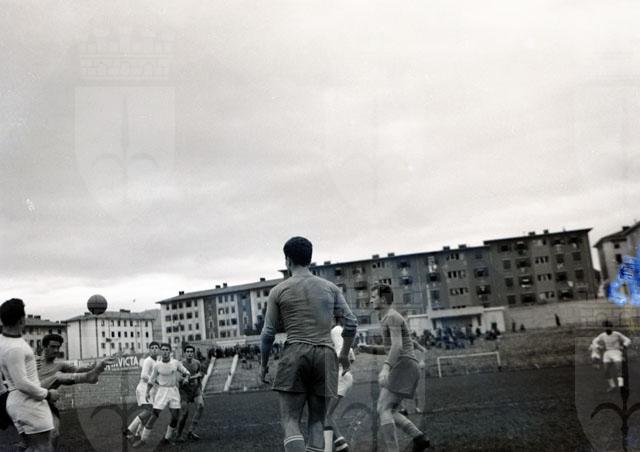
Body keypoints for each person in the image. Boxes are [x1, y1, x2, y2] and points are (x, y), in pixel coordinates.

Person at [261, 236, 358, 452]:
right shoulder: (330, 288)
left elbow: (267, 333)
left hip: (295, 351)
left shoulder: (278, 290)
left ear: (287, 260)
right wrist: (343, 354)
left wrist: (263, 365)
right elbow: (351, 322)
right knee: (317, 421)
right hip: (325, 355)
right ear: (310, 259)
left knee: (290, 420)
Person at [358, 284, 430, 452]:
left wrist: (385, 368)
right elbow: (390, 348)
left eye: (374, 297)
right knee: (389, 410)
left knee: (383, 408)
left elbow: (397, 346)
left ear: (383, 299)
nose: (371, 300)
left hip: (404, 365)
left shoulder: (392, 316)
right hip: (405, 365)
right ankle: (419, 438)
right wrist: (368, 348)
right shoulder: (387, 318)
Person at [0, 298, 58, 452]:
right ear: (22, 319)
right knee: (44, 448)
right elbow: (21, 383)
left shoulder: (3, 342)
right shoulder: (15, 348)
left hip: (16, 402)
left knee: (30, 447)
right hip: (28, 403)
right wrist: (48, 394)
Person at [36, 333, 113, 448]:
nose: (56, 350)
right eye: (53, 347)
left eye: (58, 347)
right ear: (44, 347)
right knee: (57, 376)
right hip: (30, 398)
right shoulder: (32, 361)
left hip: (46, 402)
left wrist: (97, 364)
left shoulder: (60, 365)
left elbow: (79, 369)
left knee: (54, 434)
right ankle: (89, 377)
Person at [133, 343, 190, 448]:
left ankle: (167, 439)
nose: (165, 352)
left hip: (173, 391)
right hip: (161, 391)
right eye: (163, 350)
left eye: (167, 350)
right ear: (161, 351)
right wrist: (147, 392)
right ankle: (143, 439)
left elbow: (186, 372)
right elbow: (151, 380)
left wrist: (186, 378)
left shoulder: (175, 363)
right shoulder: (157, 365)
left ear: (170, 351)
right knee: (154, 416)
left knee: (175, 417)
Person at [323, 318, 357, 452]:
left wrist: (339, 366)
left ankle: (329, 448)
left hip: (340, 377)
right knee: (325, 413)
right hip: (343, 376)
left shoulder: (335, 331)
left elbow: (342, 354)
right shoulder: (339, 331)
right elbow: (352, 357)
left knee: (325, 414)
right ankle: (340, 443)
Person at [124, 341, 160, 442]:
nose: (154, 350)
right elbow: (143, 375)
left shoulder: (157, 362)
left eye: (156, 348)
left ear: (158, 350)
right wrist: (155, 381)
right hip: (143, 388)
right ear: (149, 350)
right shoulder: (148, 361)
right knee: (148, 411)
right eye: (152, 348)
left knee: (150, 413)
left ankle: (137, 434)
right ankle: (129, 430)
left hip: (150, 390)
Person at [176, 344, 205, 442]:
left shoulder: (197, 363)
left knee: (201, 405)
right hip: (184, 391)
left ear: (193, 353)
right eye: (187, 352)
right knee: (184, 413)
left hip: (195, 389)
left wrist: (201, 390)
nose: (189, 353)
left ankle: (191, 431)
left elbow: (200, 376)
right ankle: (178, 434)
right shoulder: (180, 364)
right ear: (184, 353)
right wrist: (193, 377)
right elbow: (179, 379)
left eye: (191, 352)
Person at [593, 321, 631, 392]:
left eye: (609, 327)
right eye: (606, 327)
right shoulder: (602, 335)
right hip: (607, 353)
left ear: (612, 327)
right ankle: (612, 386)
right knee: (606, 371)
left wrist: (624, 346)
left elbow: (627, 340)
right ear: (604, 328)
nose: (607, 328)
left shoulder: (617, 334)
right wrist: (598, 347)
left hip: (616, 352)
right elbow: (594, 341)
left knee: (619, 370)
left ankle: (621, 386)